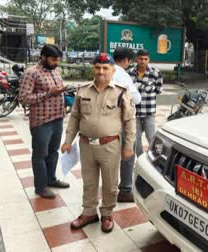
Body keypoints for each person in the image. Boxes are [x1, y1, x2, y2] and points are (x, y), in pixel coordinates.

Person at [61, 53, 136, 233]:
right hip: (86, 145)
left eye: (105, 68)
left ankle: (107, 214)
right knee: (89, 181)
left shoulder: (121, 91)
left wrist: (129, 146)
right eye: (97, 67)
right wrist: (68, 140)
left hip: (110, 145)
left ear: (112, 70)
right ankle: (89, 213)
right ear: (93, 68)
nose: (101, 71)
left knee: (110, 183)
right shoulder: (83, 90)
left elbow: (130, 120)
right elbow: (75, 117)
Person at [19, 44, 70, 199]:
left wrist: (64, 91)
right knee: (40, 155)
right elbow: (23, 98)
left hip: (57, 118)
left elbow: (57, 90)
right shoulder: (31, 73)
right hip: (41, 122)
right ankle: (40, 187)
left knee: (53, 152)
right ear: (43, 57)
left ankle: (51, 179)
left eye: (58, 60)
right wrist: (49, 93)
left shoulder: (56, 70)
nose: (56, 63)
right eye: (53, 60)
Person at [112, 47, 141, 203]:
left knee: (109, 156)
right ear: (126, 61)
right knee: (128, 154)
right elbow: (136, 99)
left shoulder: (105, 71)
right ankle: (125, 190)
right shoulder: (123, 75)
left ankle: (110, 189)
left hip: (107, 121)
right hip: (124, 121)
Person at [127, 49, 163, 156]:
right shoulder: (129, 73)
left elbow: (158, 90)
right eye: (140, 59)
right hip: (134, 112)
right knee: (135, 138)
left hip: (149, 112)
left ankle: (156, 157)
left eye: (145, 59)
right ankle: (141, 158)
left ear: (149, 59)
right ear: (136, 59)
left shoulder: (156, 73)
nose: (143, 61)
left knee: (151, 136)